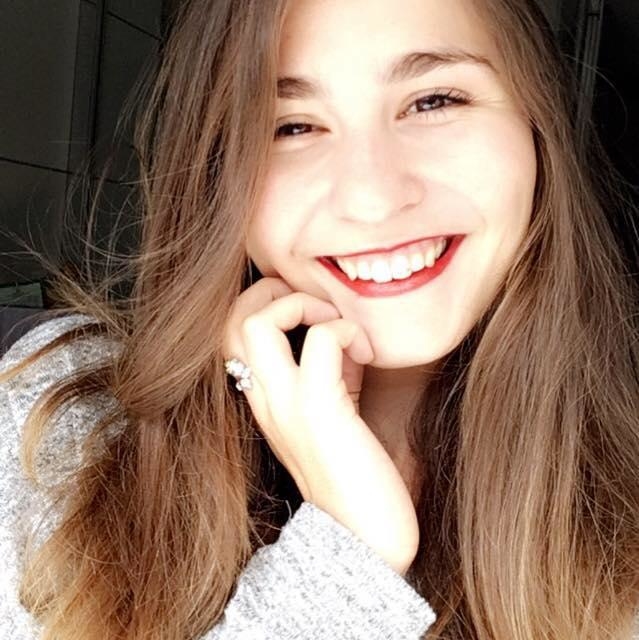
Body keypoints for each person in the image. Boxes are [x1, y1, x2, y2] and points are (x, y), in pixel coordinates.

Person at [1, 0, 638, 638]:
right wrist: (347, 557)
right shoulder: (59, 431)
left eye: (434, 100)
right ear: (217, 173)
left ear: (537, 123)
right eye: (292, 127)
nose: (372, 198)